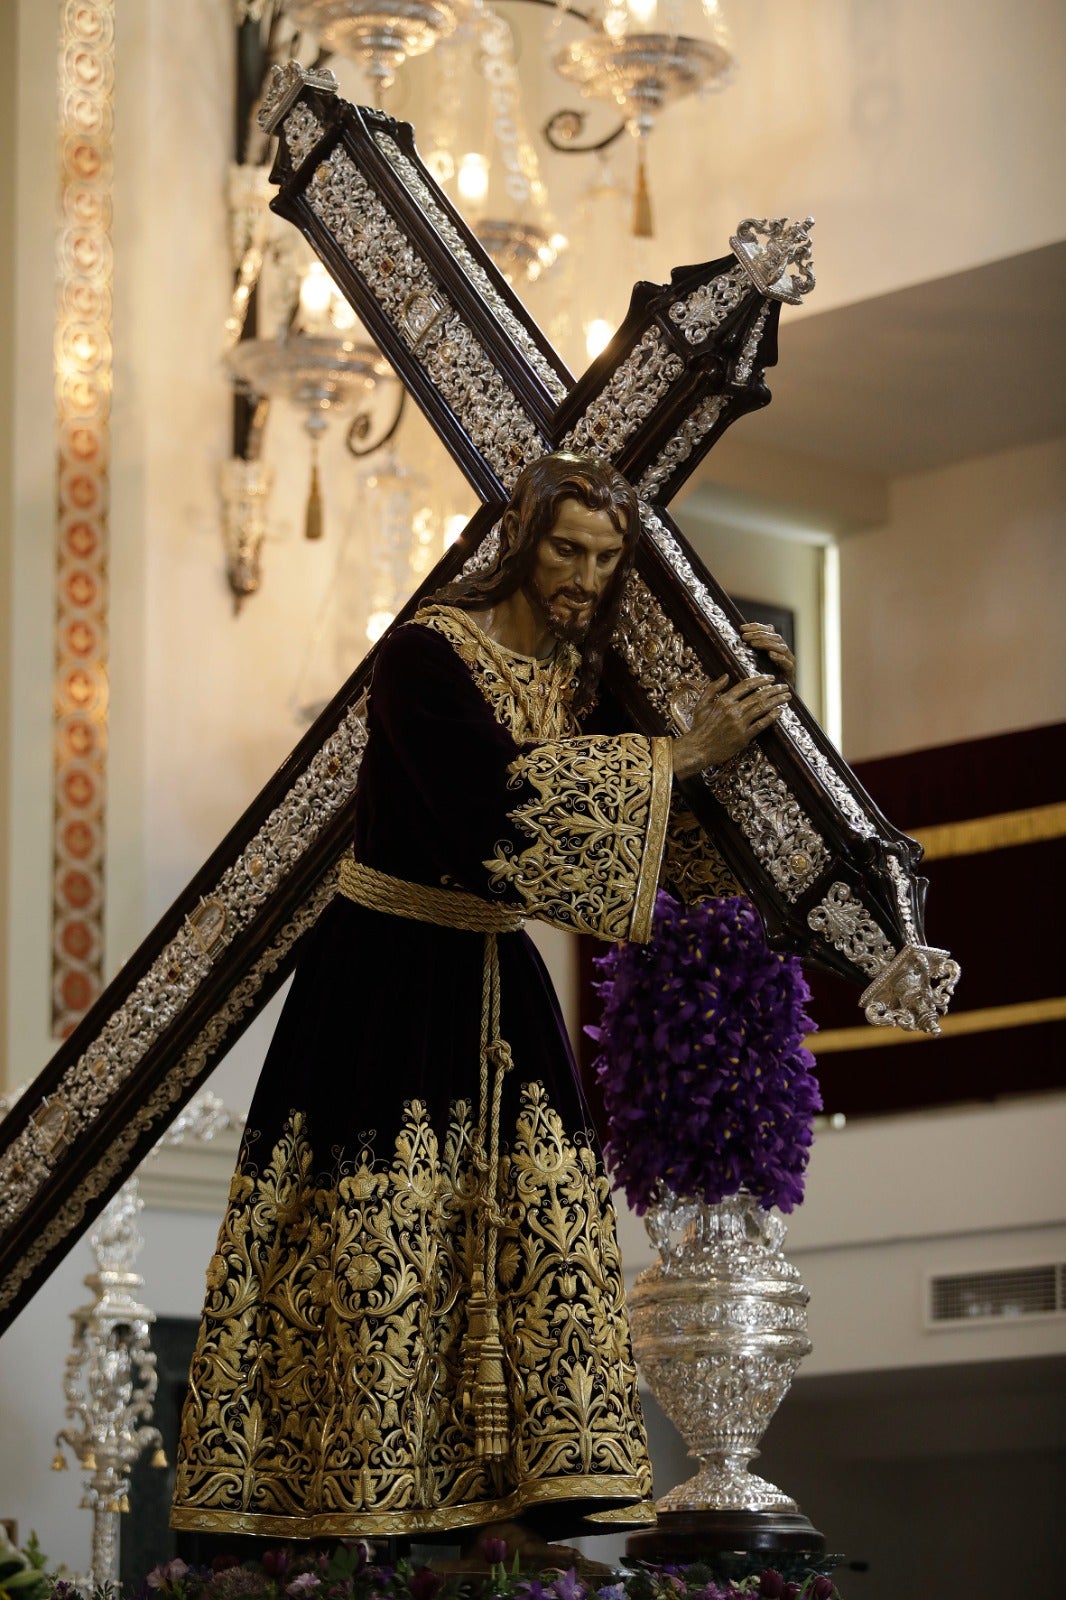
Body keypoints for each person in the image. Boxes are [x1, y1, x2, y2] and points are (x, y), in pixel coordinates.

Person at [170, 452, 792, 1547]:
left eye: (605, 560)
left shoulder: (584, 674)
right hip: (387, 982)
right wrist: (678, 748)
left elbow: (671, 828)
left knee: (543, 1224)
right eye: (566, 549)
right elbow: (488, 806)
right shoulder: (423, 655)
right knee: (380, 1245)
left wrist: (743, 696)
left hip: (501, 980)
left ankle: (507, 1507)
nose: (583, 578)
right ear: (517, 533)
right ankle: (359, 1505)